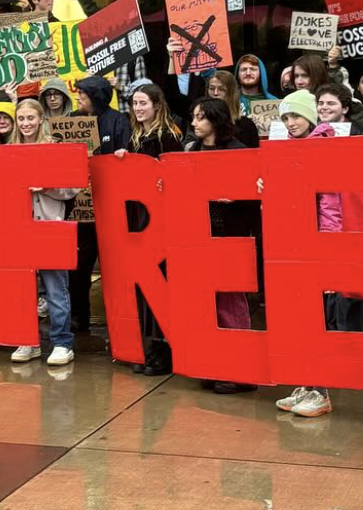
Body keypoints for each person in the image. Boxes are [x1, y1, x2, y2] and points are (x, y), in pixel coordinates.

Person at [273, 90, 347, 417]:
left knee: (320, 319)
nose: (290, 123)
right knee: (302, 316)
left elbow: (331, 203)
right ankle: (307, 382)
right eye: (286, 118)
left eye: (296, 116)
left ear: (311, 117)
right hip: (296, 242)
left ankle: (321, 390)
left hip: (319, 243)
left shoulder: (325, 146)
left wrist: (328, 247)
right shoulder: (291, 147)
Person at [185, 97, 261, 395]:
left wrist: (238, 196)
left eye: (200, 117)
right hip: (201, 237)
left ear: (215, 120)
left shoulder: (237, 152)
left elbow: (255, 196)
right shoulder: (192, 149)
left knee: (231, 304)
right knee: (208, 305)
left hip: (231, 236)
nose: (194, 123)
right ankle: (216, 365)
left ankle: (241, 371)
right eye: (193, 117)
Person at [0, 98, 79, 365]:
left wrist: (46, 187)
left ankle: (62, 342)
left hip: (49, 225)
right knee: (22, 288)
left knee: (56, 288)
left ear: (41, 119)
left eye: (30, 118)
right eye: (21, 119)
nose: (25, 124)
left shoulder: (54, 147)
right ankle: (27, 341)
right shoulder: (7, 150)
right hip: (18, 228)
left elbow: (73, 188)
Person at [114, 83, 182, 375]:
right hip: (140, 220)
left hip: (163, 221)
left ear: (157, 104)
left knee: (162, 282)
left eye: (142, 103)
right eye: (134, 103)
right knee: (145, 285)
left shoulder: (170, 137)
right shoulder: (135, 138)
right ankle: (153, 346)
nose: (137, 108)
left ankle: (165, 349)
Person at [68, 76, 131, 332]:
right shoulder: (72, 120)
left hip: (111, 209)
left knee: (115, 269)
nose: (79, 99)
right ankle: (78, 318)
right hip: (81, 210)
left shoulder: (118, 121)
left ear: (96, 96)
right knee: (78, 268)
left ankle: (120, 321)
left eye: (83, 95)